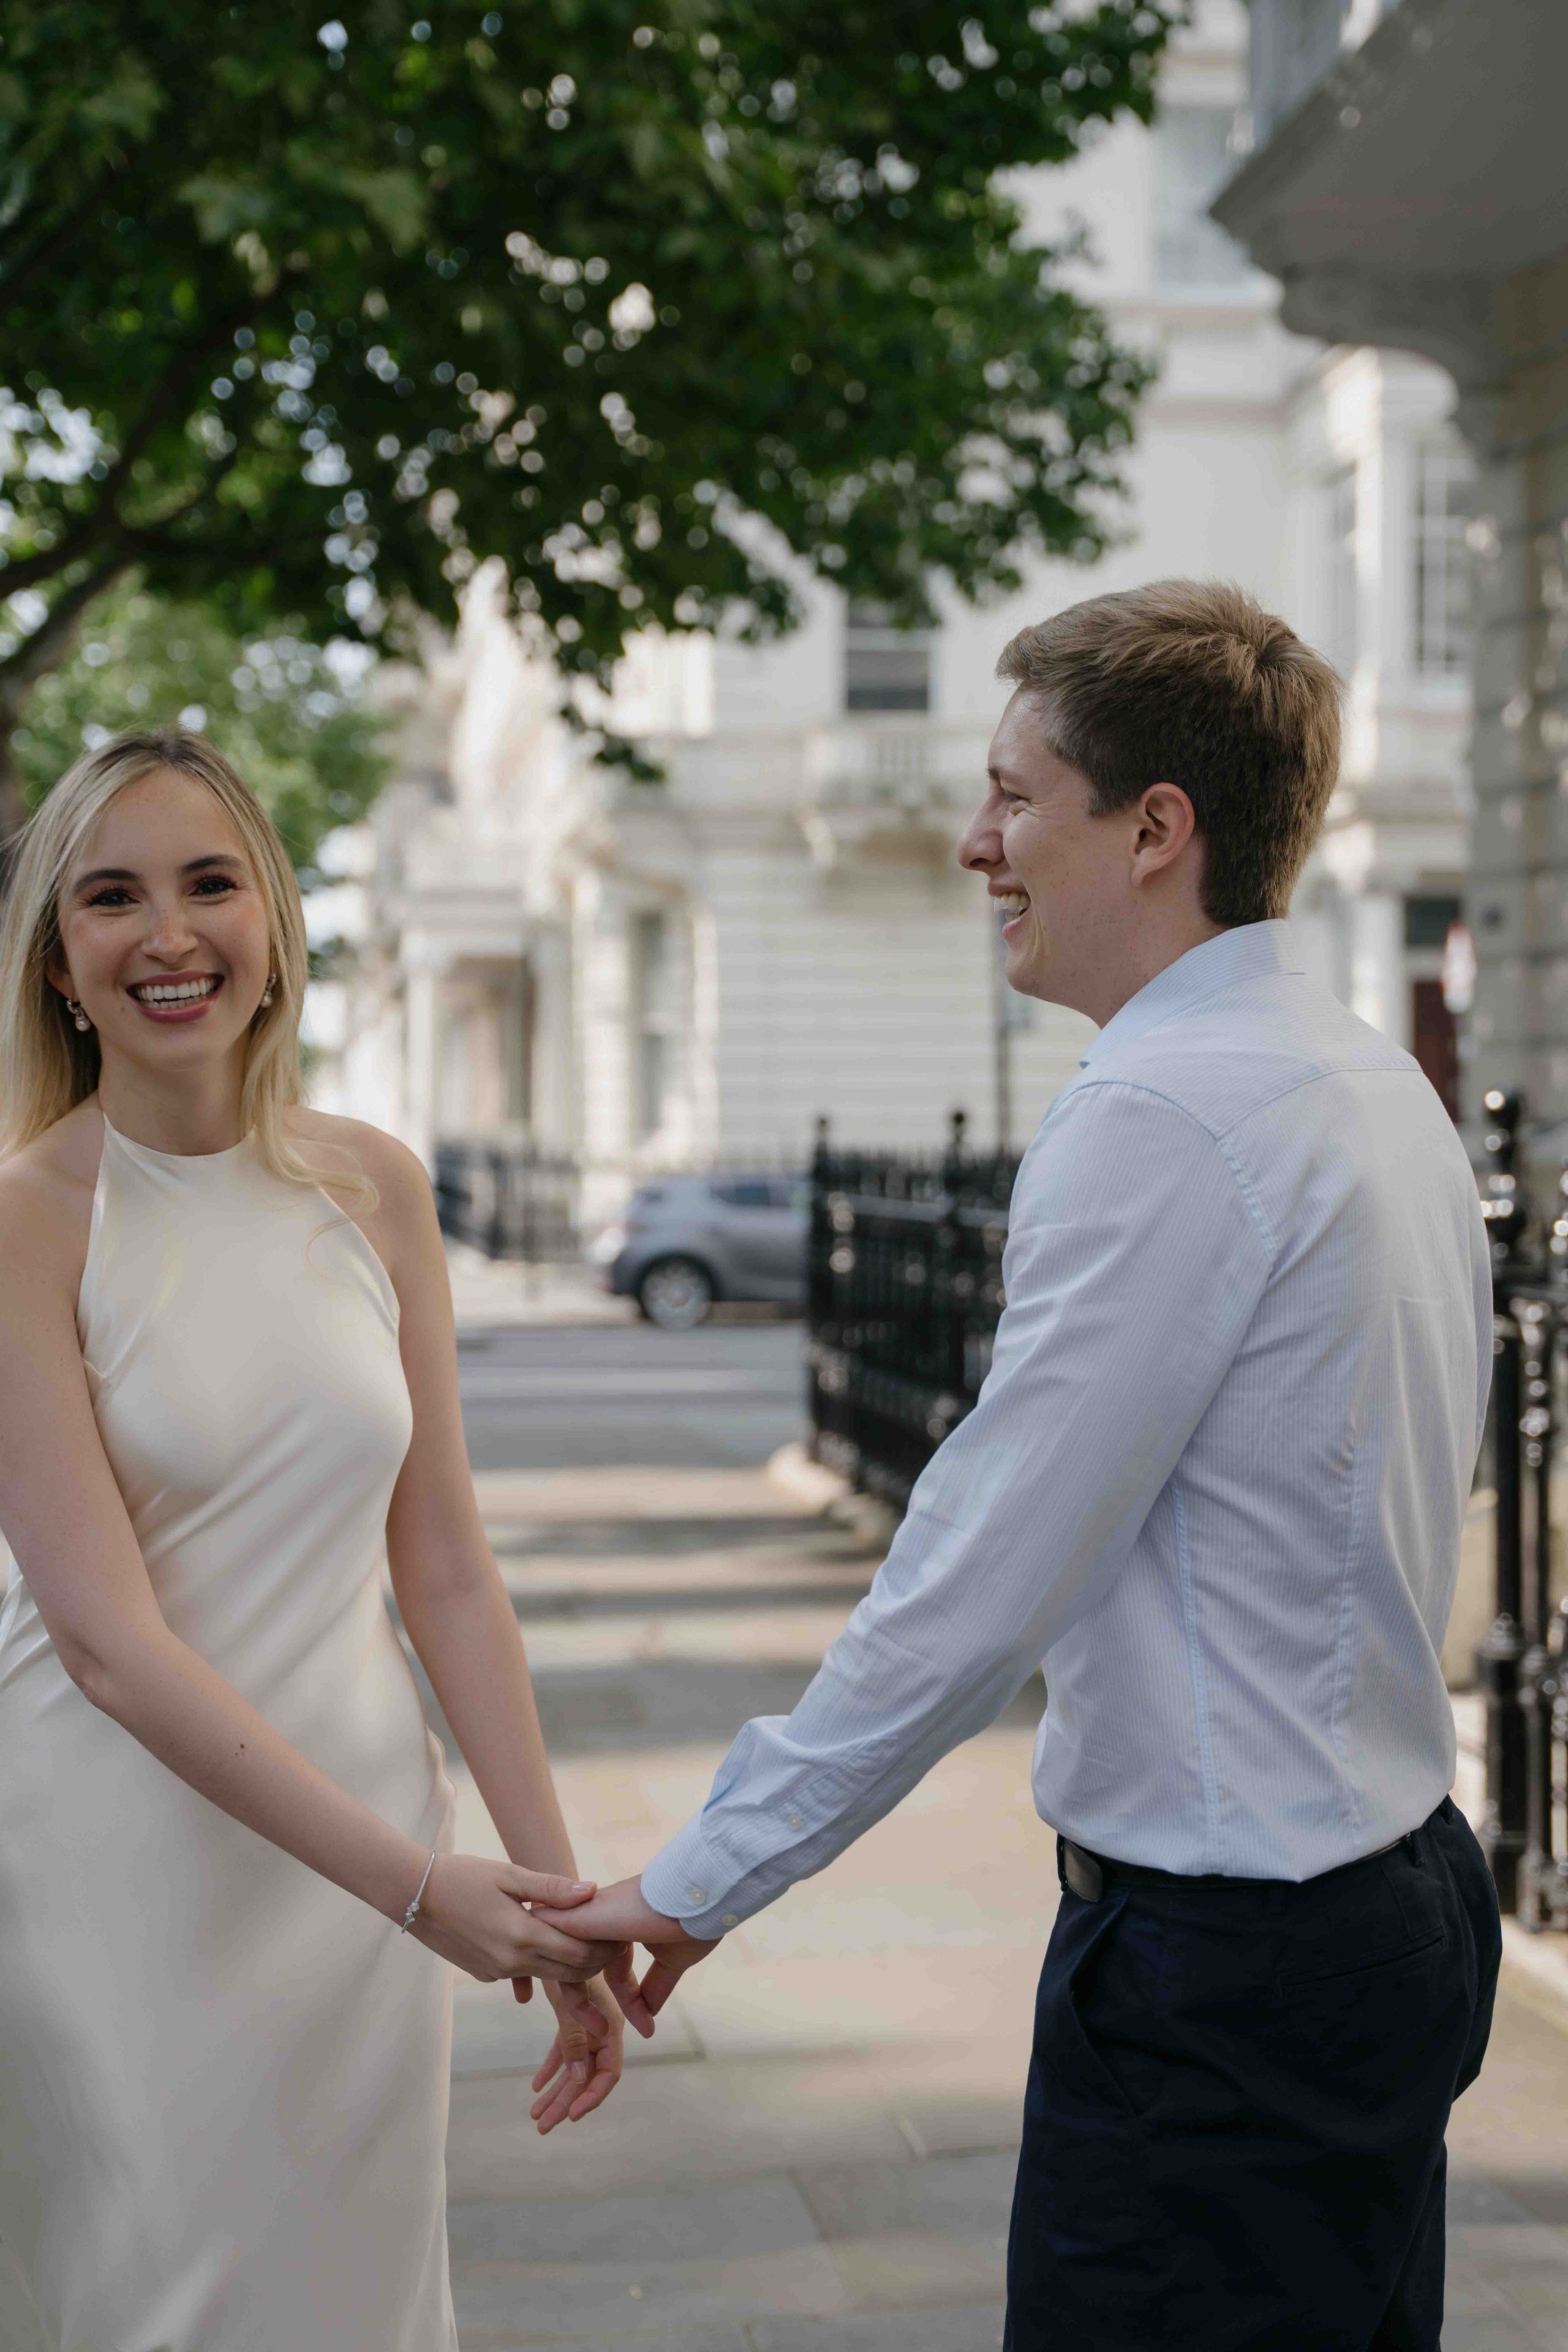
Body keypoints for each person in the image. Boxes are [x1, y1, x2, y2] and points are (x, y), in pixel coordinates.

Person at [538, 580, 1502, 2349]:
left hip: (1230, 1977)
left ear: (1156, 830)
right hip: (1399, 1902)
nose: (981, 841)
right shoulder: (1373, 1083)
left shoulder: (1162, 1113)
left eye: (1015, 795)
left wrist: (704, 1875)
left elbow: (980, 1566)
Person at [0, 731, 635, 2351]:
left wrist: (554, 1907)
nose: (169, 935)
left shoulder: (377, 1190)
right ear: (59, 959)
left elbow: (448, 1575)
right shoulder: (27, 1217)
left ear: (275, 923)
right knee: (156, 2302)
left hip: (360, 1866)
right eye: (112, 897)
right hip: (119, 1866)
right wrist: (424, 1889)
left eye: (211, 883)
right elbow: (104, 1644)